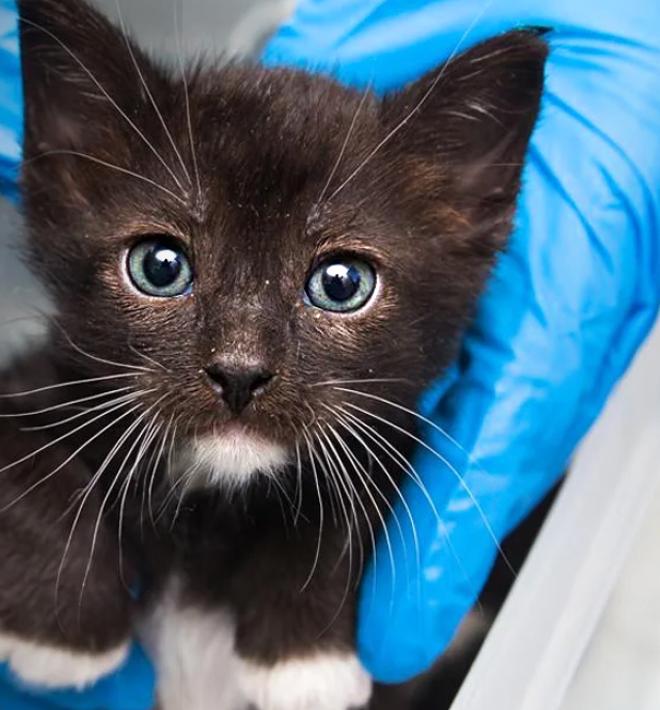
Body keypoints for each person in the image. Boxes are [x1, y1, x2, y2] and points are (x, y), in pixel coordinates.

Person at [1, 0, 659, 706]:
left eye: (339, 284)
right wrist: (46, 549)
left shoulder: (395, 480)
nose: (241, 358)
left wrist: (315, 582)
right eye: (162, 267)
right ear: (67, 191)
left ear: (466, 216)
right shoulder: (57, 419)